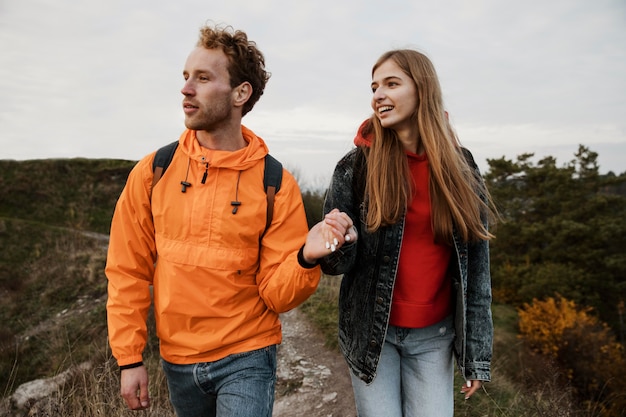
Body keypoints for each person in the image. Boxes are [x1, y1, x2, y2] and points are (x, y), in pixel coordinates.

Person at [105, 23, 352, 417]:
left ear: (241, 93)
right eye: (186, 77)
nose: (186, 89)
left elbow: (276, 293)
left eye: (203, 78)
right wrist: (129, 357)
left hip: (247, 354)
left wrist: (305, 258)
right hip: (178, 359)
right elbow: (126, 271)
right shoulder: (154, 171)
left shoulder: (276, 184)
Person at [320, 49, 498, 417]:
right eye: (374, 87)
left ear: (423, 89)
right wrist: (340, 241)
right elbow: (334, 265)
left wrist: (476, 355)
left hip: (435, 336)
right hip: (373, 333)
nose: (378, 95)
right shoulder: (357, 167)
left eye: (391, 83)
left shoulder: (460, 166)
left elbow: (477, 268)